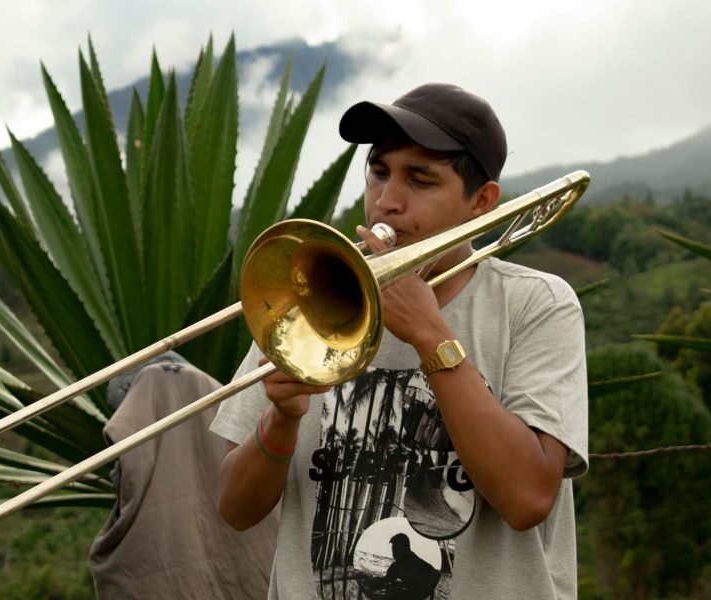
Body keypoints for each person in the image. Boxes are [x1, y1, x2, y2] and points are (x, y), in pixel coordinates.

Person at [210, 83, 588, 599]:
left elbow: (527, 498)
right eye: (379, 172)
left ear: (481, 202)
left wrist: (429, 333)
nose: (387, 202)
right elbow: (234, 510)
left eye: (421, 180)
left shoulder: (536, 304)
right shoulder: (312, 300)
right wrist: (282, 419)